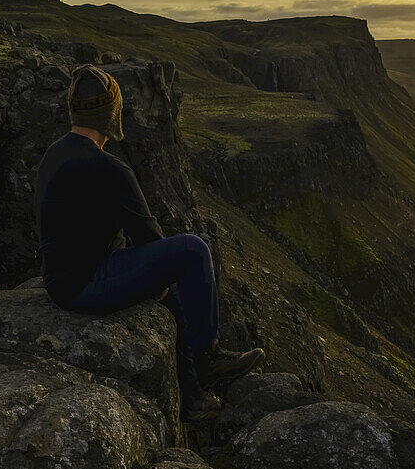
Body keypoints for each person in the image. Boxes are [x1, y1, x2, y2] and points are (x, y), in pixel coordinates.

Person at [34, 63, 265, 423]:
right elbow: (148, 235)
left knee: (172, 301)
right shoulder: (109, 167)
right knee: (193, 250)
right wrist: (155, 280)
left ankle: (191, 396)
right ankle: (209, 358)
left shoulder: (53, 154)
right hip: (86, 284)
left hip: (58, 282)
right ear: (112, 114)